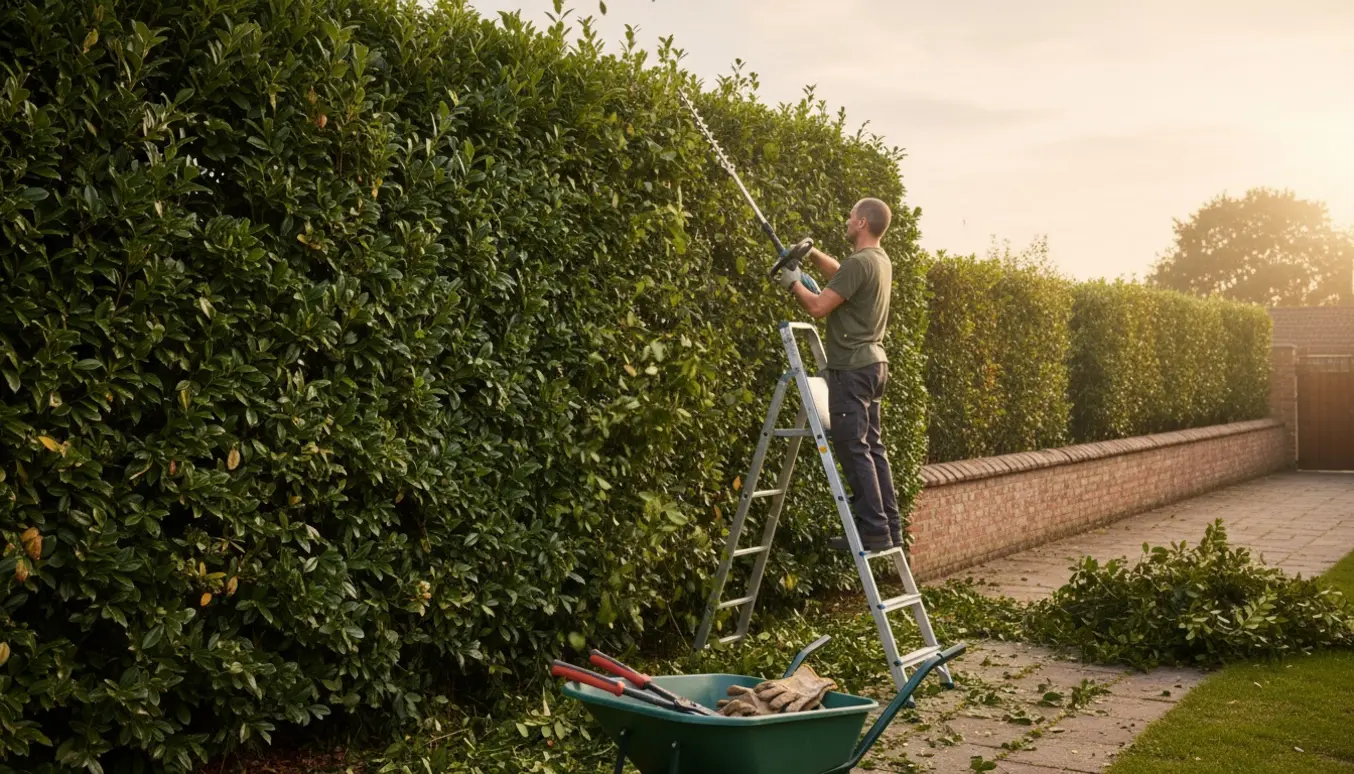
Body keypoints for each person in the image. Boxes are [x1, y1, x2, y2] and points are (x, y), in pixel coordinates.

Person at [774, 198, 900, 552]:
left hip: (853, 368)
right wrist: (810, 255)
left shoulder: (860, 262)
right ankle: (889, 527)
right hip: (874, 365)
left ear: (861, 222)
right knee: (873, 448)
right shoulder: (878, 260)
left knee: (853, 448)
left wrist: (793, 284)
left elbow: (817, 307)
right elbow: (842, 274)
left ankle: (873, 531)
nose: (847, 219)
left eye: (850, 215)